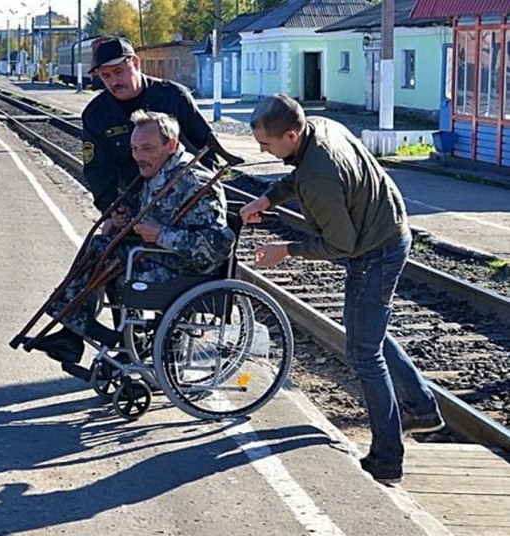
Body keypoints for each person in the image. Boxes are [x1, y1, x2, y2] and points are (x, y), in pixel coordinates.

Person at [239, 94, 444, 485]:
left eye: (266, 144)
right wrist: (268, 197)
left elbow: (341, 245)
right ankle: (422, 408)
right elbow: (297, 175)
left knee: (364, 354)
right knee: (370, 335)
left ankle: (388, 459)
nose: (261, 149)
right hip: (387, 230)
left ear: (291, 134)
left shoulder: (319, 174)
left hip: (374, 250)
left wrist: (286, 250)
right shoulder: (320, 128)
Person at [23, 111, 235, 375]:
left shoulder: (195, 181)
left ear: (170, 144)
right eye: (134, 148)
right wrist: (125, 217)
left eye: (147, 148)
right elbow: (157, 214)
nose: (138, 156)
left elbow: (218, 245)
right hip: (159, 258)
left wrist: (160, 234)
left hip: (186, 272)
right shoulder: (159, 172)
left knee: (108, 254)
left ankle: (77, 328)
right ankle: (78, 331)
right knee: (105, 245)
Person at [82, 36, 219, 214]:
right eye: (106, 76)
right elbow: (97, 170)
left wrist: (204, 192)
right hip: (133, 206)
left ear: (136, 64)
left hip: (183, 200)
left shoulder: (174, 97)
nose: (114, 82)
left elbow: (207, 148)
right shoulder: (96, 114)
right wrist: (111, 210)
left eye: (119, 72)